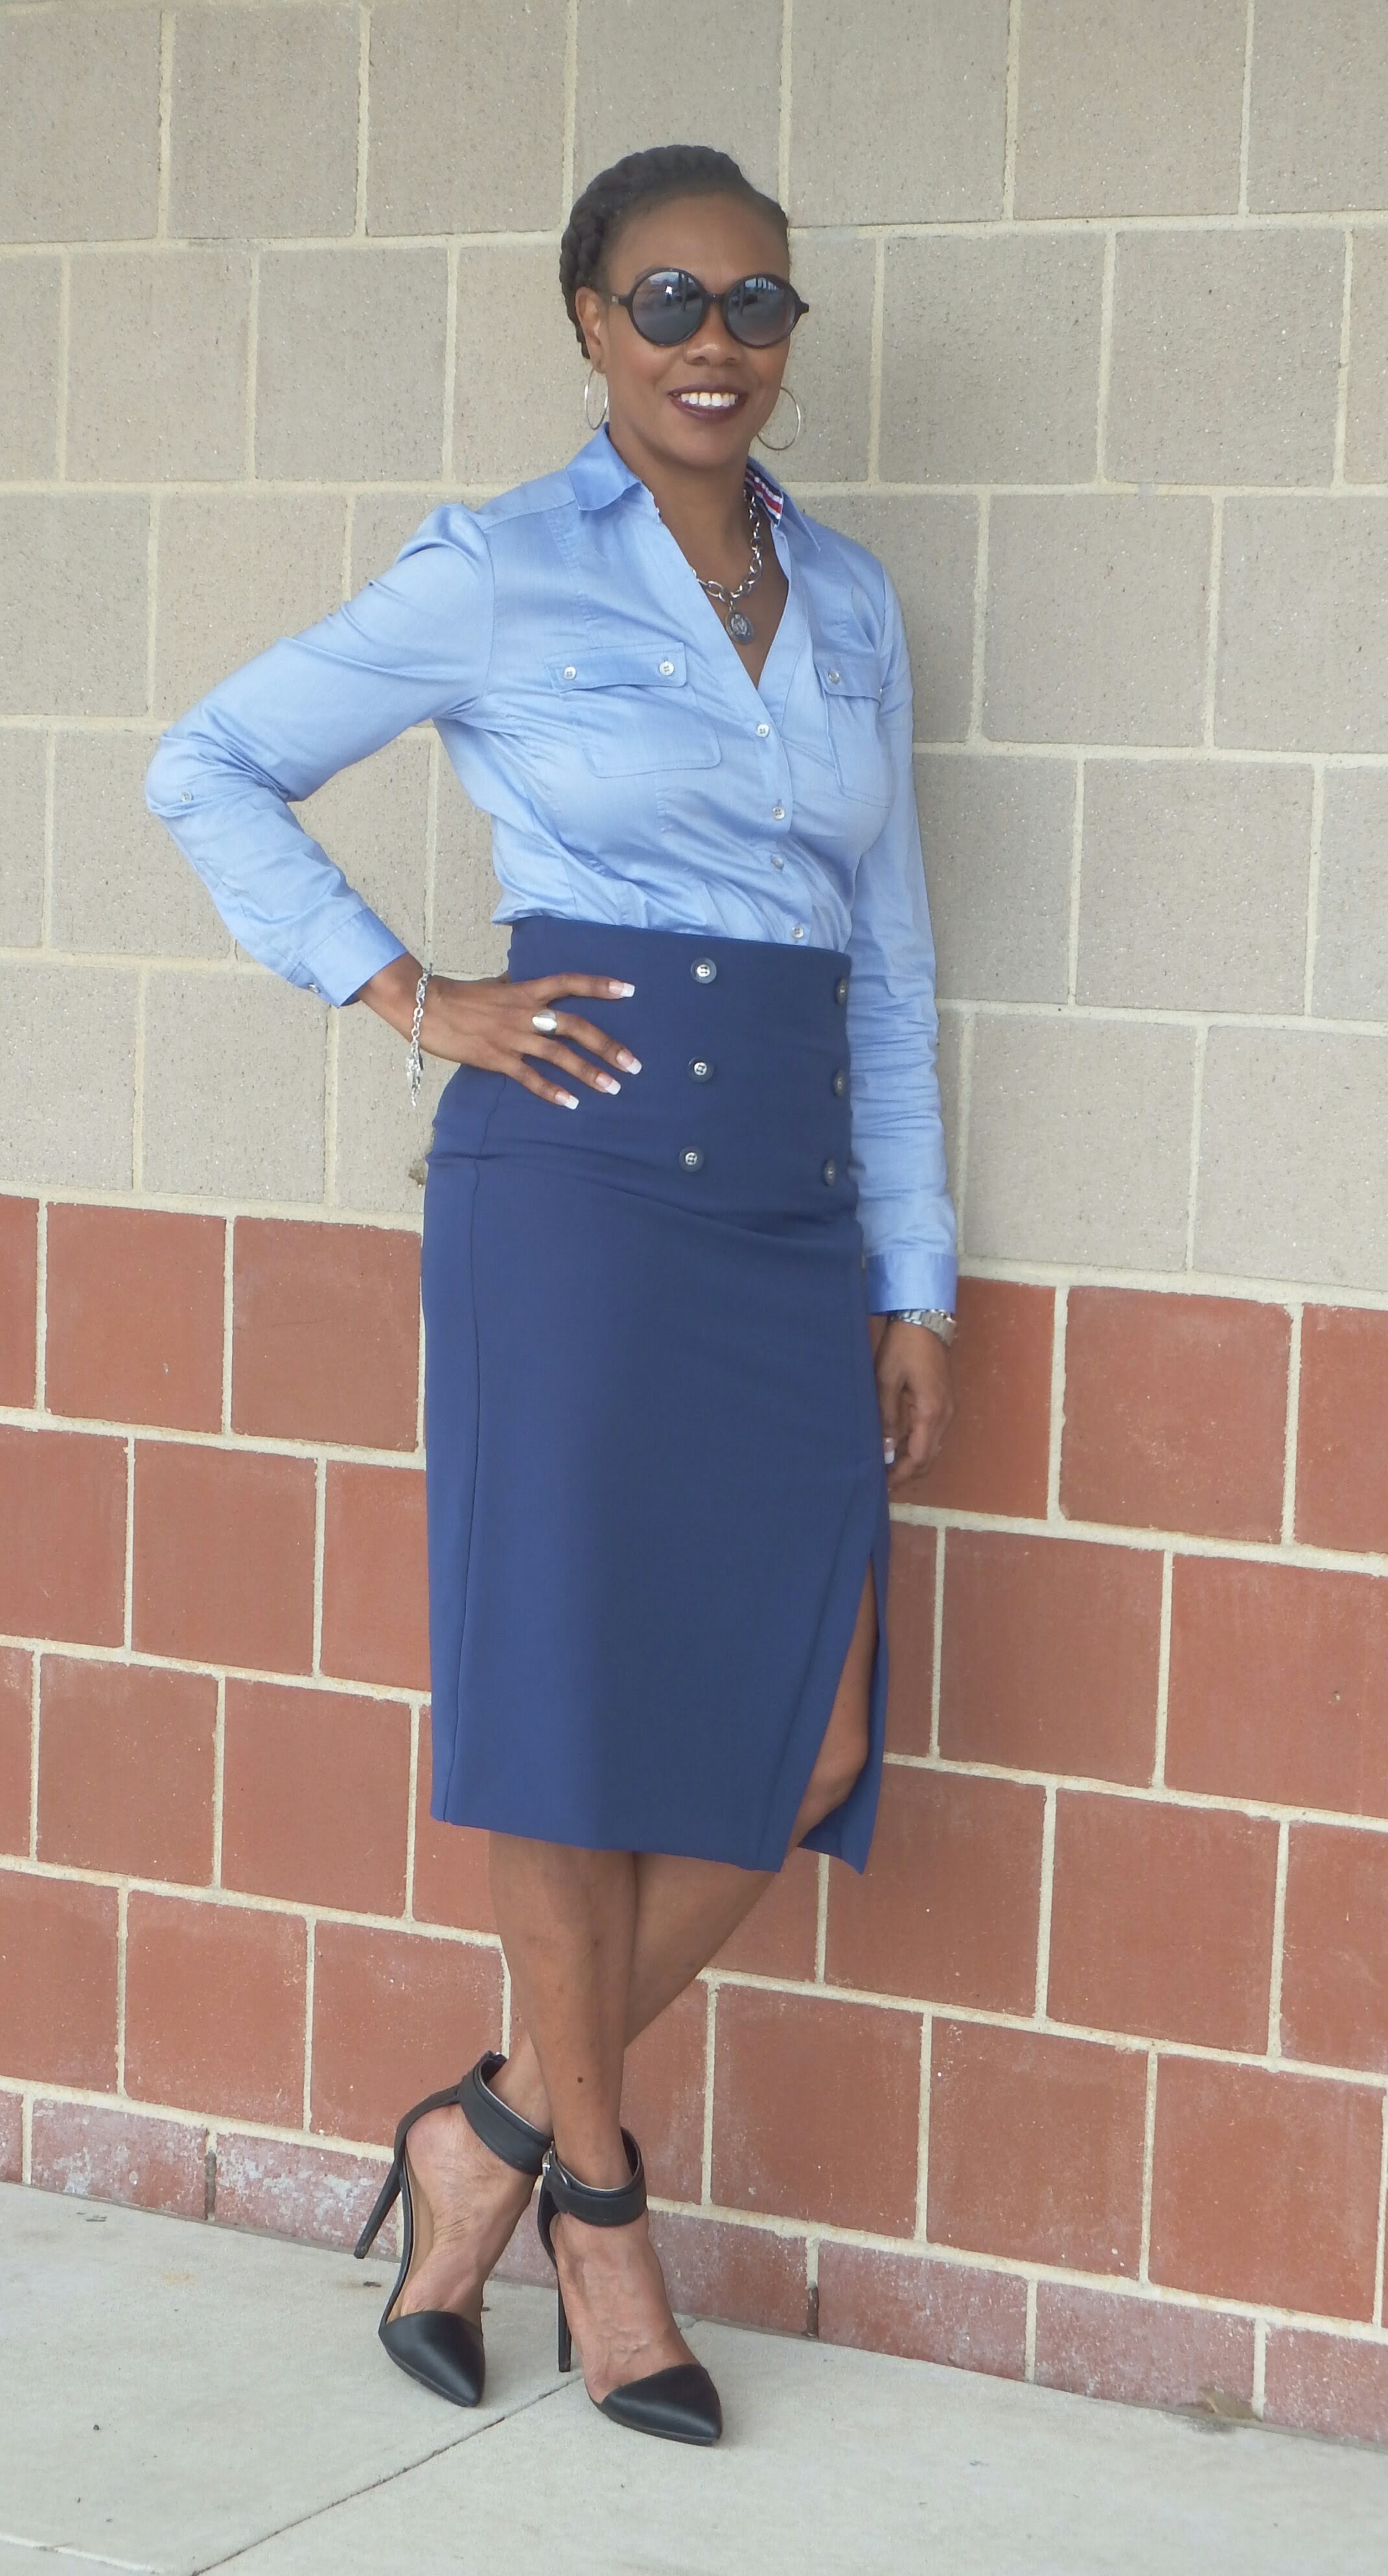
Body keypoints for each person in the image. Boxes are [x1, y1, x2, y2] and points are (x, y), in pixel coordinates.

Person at [145, 141, 957, 2449]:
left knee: (806, 1739)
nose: (718, 340)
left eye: (758, 302)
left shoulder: (853, 601)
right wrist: (412, 995)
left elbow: (889, 961)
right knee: (568, 1719)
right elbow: (209, 766)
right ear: (589, 320)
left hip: (790, 1209)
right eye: (669, 298)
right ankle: (602, 2214)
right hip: (577, 1199)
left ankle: (479, 2127)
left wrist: (912, 1273)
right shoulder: (497, 564)